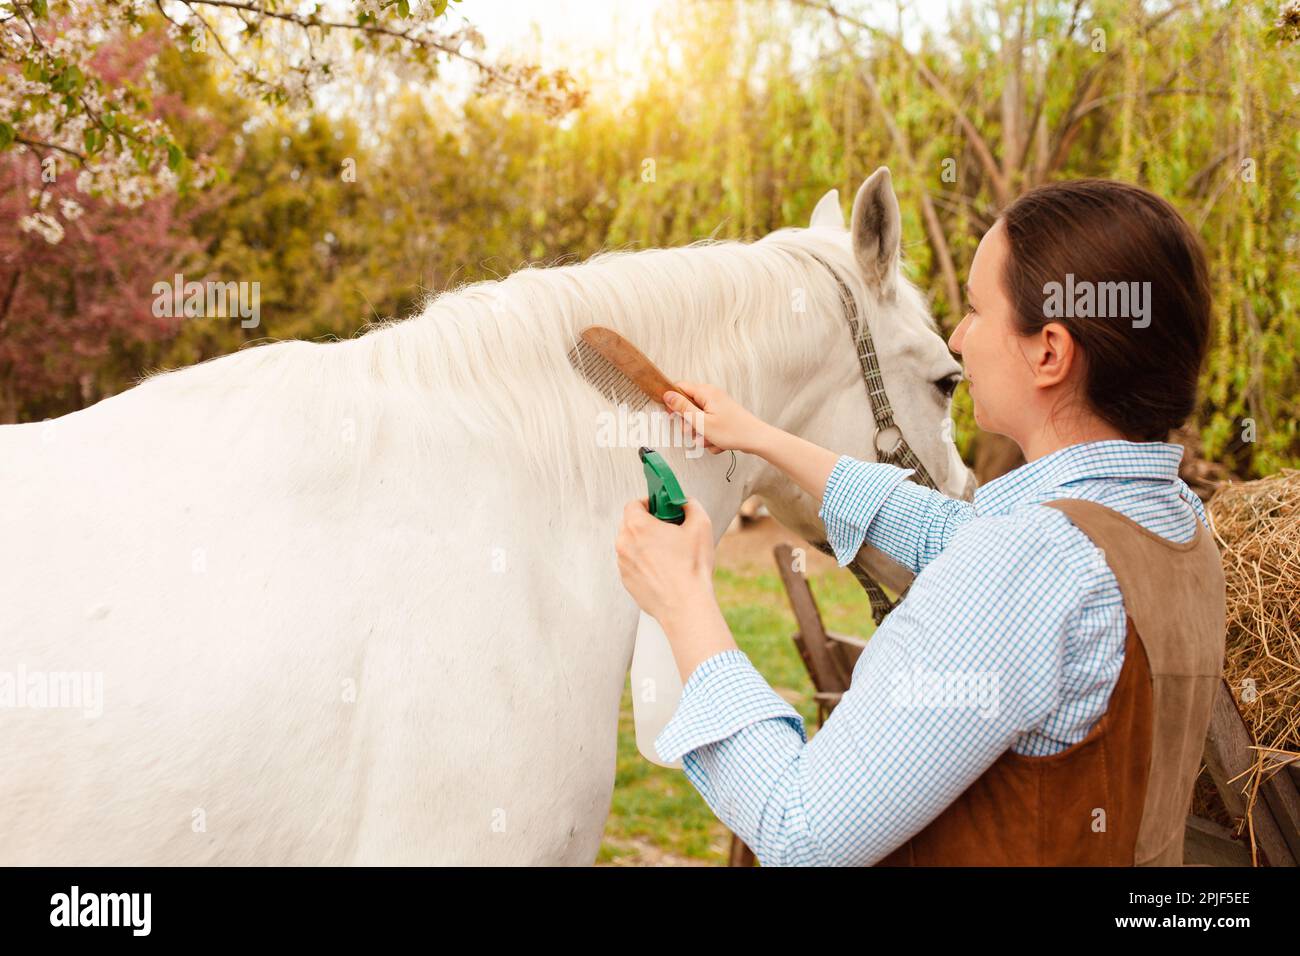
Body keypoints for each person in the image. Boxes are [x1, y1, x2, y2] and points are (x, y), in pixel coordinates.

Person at [614, 179, 1226, 866]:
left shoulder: (1025, 565)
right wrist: (762, 435)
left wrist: (683, 595)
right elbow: (946, 532)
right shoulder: (1168, 524)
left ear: (1049, 352)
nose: (959, 339)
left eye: (974, 310)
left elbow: (799, 832)